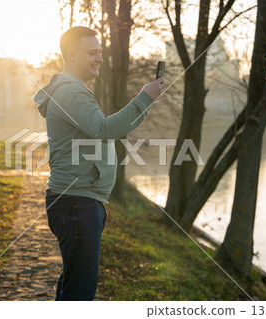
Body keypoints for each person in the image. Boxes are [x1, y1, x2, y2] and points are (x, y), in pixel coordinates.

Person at [34, 26, 165, 301]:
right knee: (80, 290)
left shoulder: (72, 90)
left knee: (74, 284)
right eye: (93, 53)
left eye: (101, 52)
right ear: (71, 54)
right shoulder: (71, 92)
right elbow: (104, 129)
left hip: (78, 201)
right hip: (76, 203)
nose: (100, 59)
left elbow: (100, 131)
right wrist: (145, 97)